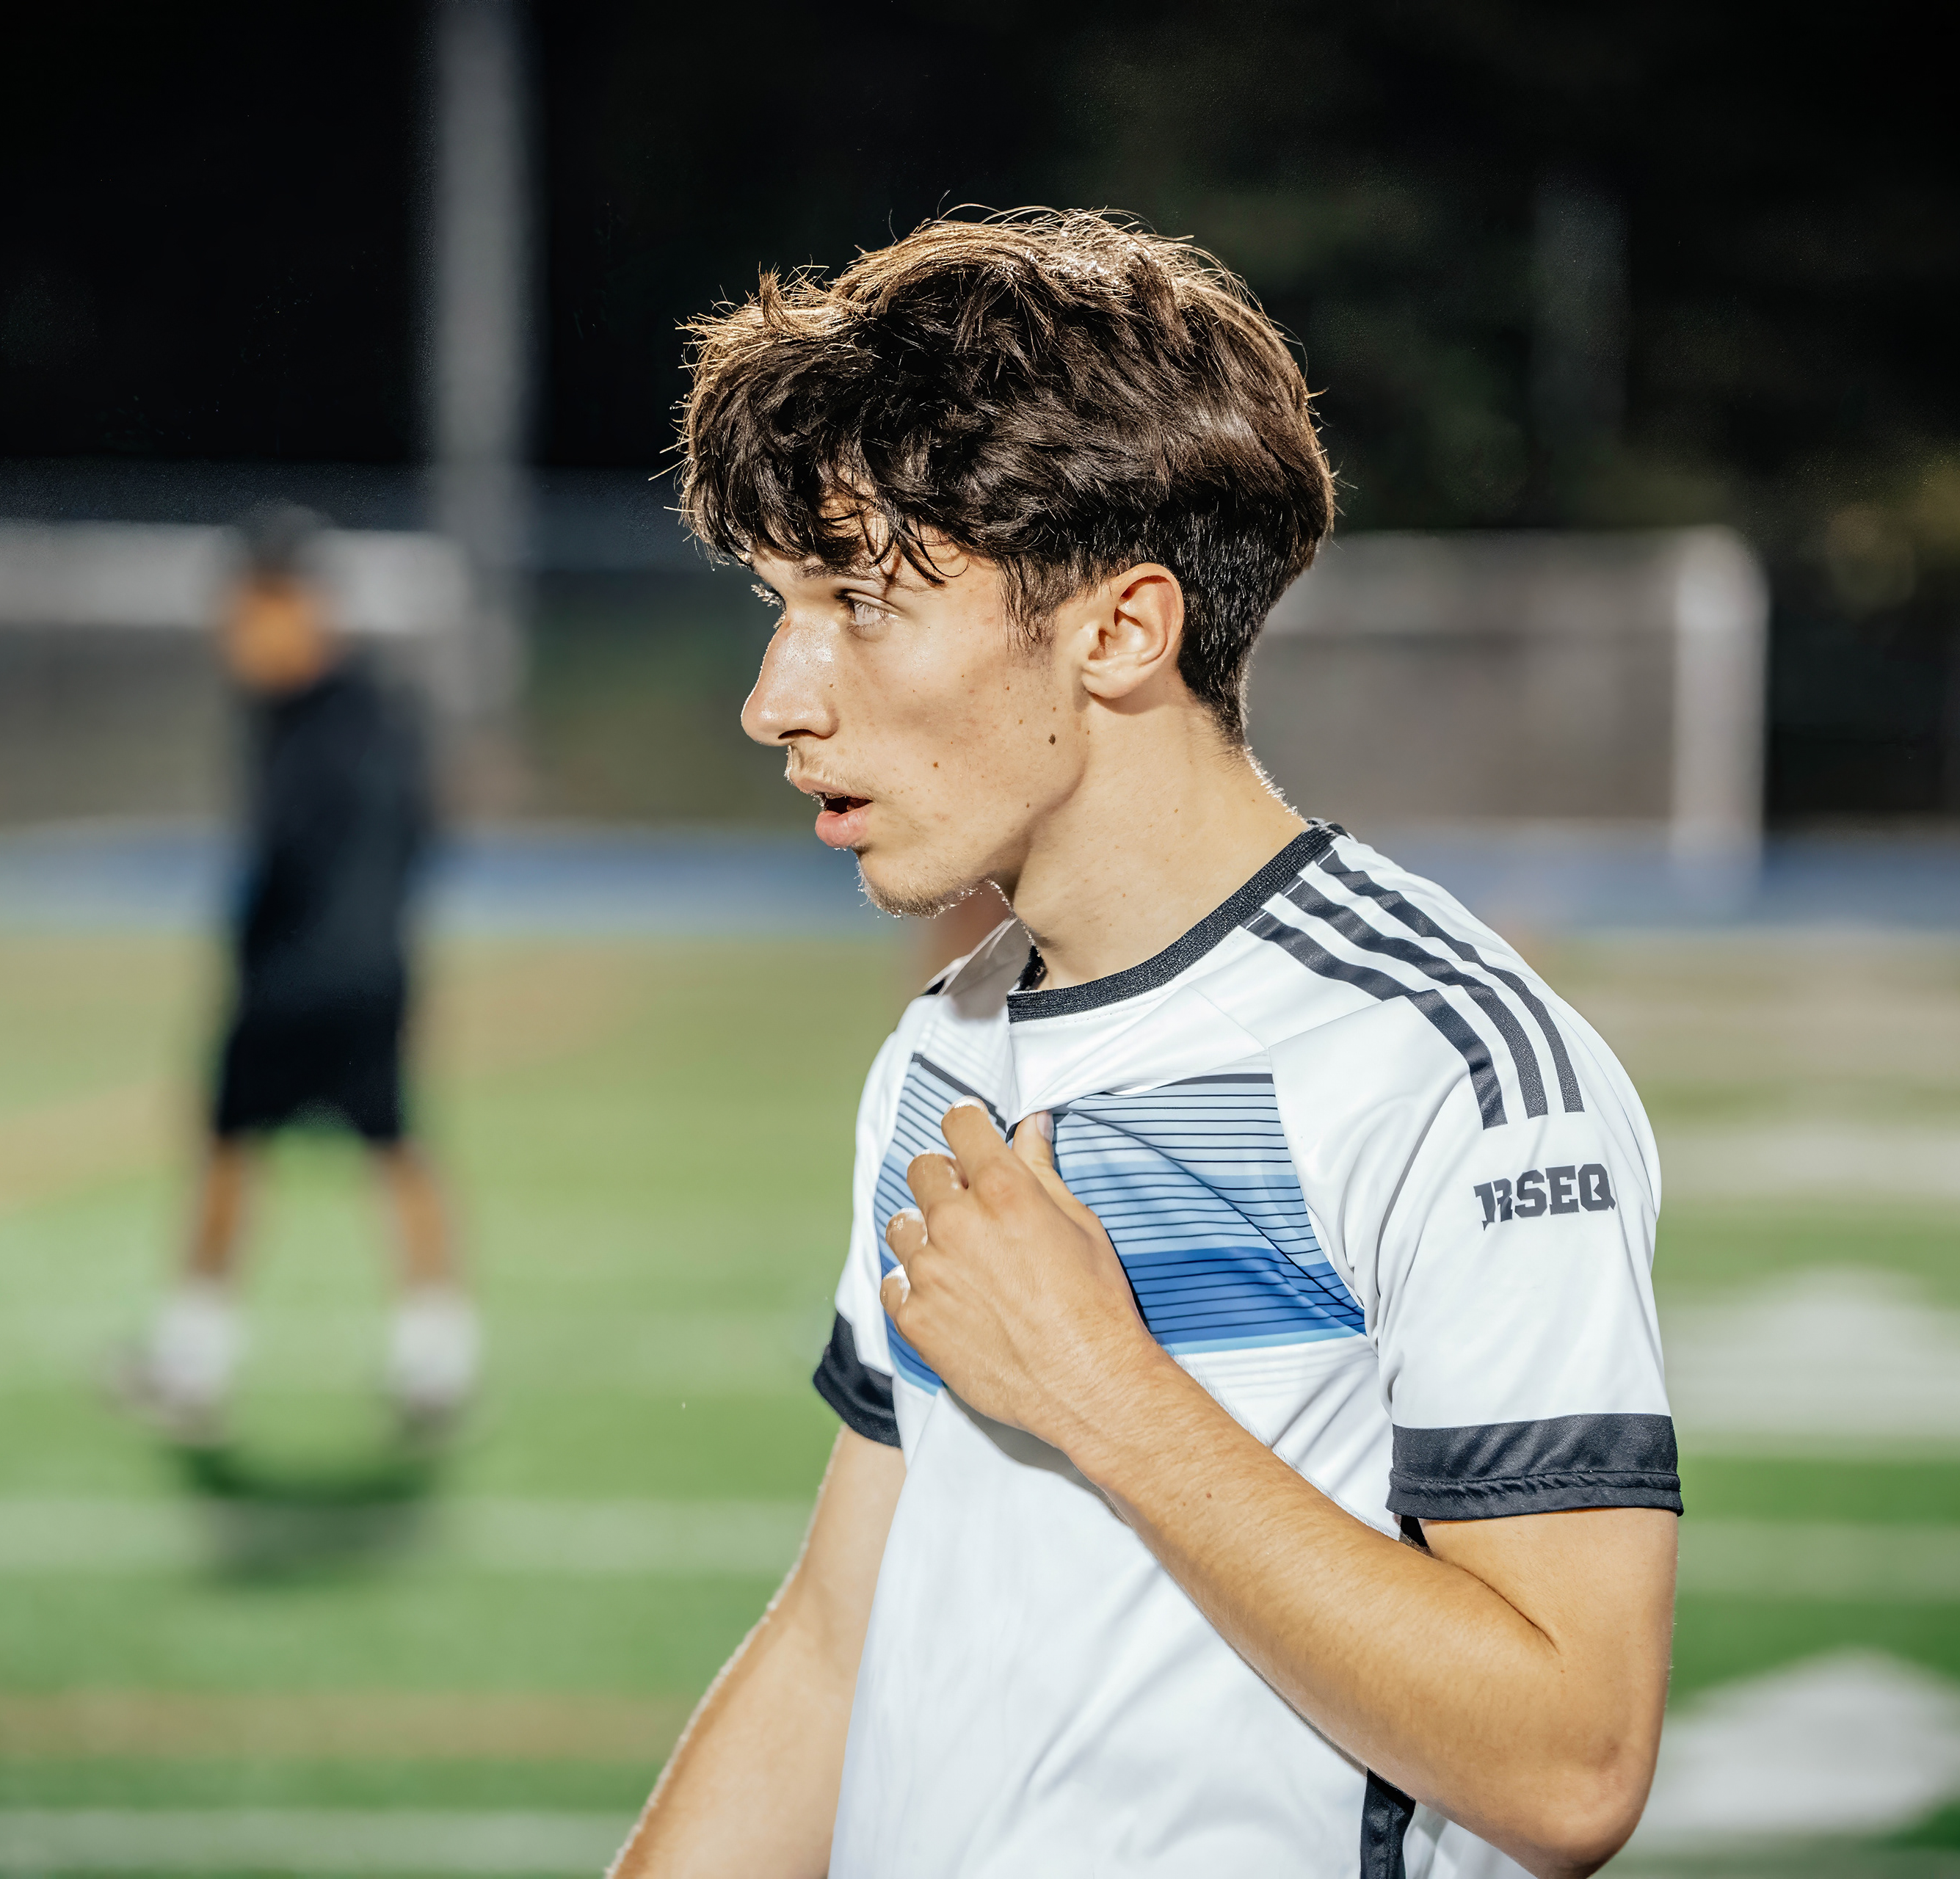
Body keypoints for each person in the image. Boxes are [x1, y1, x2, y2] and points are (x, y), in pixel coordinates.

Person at [612, 214, 1680, 1879]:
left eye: (860, 601)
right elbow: (833, 1638)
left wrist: (1103, 1386)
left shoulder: (1444, 1070)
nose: (776, 699)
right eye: (780, 604)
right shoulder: (943, 1052)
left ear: (1119, 630)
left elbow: (1570, 1765)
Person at [117, 502, 477, 1444]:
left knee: (258, 1147)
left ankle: (197, 1360)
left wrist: (278, 947)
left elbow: (297, 854)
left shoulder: (322, 715)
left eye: (253, 609)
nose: (237, 632)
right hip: (363, 972)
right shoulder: (358, 707)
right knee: (377, 1145)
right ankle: (434, 1358)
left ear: (297, 605)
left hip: (304, 977)